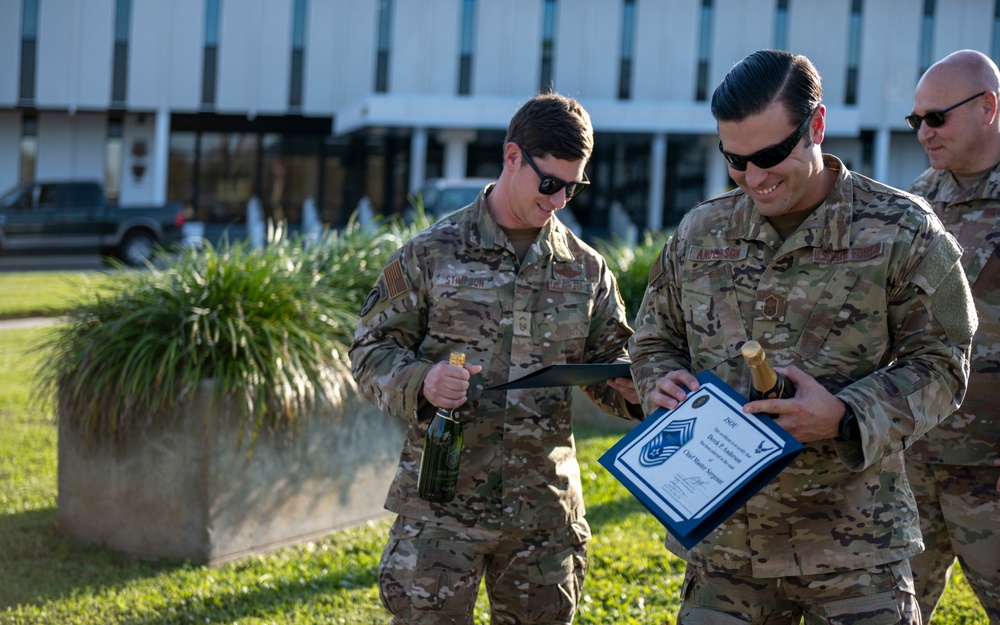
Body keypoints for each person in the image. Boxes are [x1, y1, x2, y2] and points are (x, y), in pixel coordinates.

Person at [628, 49, 977, 624]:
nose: (754, 178)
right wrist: (659, 383)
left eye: (770, 155)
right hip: (725, 556)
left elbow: (943, 361)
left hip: (855, 551)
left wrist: (845, 414)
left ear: (816, 125)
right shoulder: (699, 230)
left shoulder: (904, 229)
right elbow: (652, 341)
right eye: (735, 159)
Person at [350, 92, 642, 625]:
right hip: (442, 511)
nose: (558, 200)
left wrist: (632, 388)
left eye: (571, 187)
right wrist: (423, 380)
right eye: (549, 183)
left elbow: (611, 363)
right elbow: (369, 351)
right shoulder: (430, 253)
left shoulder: (586, 269)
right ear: (512, 157)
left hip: (543, 517)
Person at [903, 49, 1000, 624]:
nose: (924, 133)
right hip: (915, 461)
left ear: (989, 107)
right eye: (916, 121)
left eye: (936, 118)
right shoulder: (917, 202)